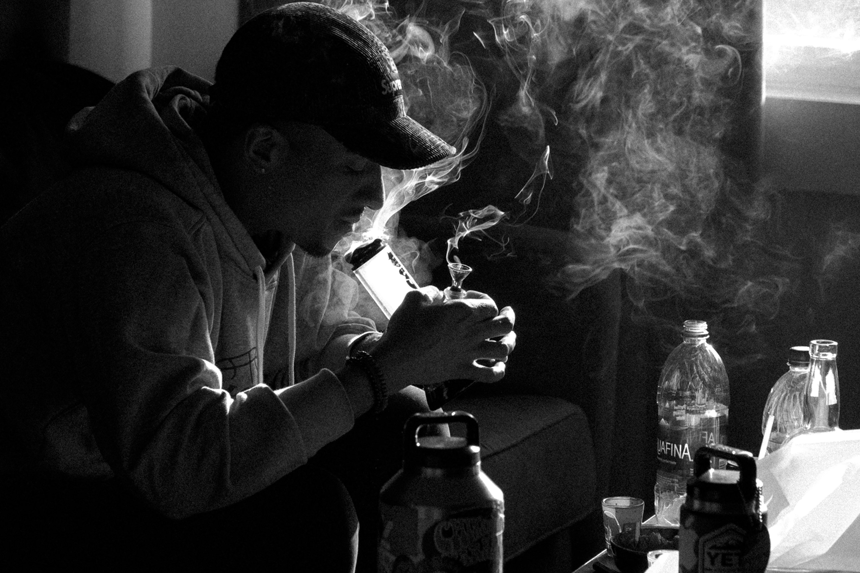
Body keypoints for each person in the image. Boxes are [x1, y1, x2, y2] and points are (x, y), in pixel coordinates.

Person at [0, 3, 516, 572]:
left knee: (400, 420)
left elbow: (318, 341)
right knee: (307, 515)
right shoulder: (133, 228)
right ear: (265, 149)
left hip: (154, 474)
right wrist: (378, 371)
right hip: (60, 491)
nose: (374, 195)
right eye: (353, 168)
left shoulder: (276, 211)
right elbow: (176, 467)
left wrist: (396, 354)